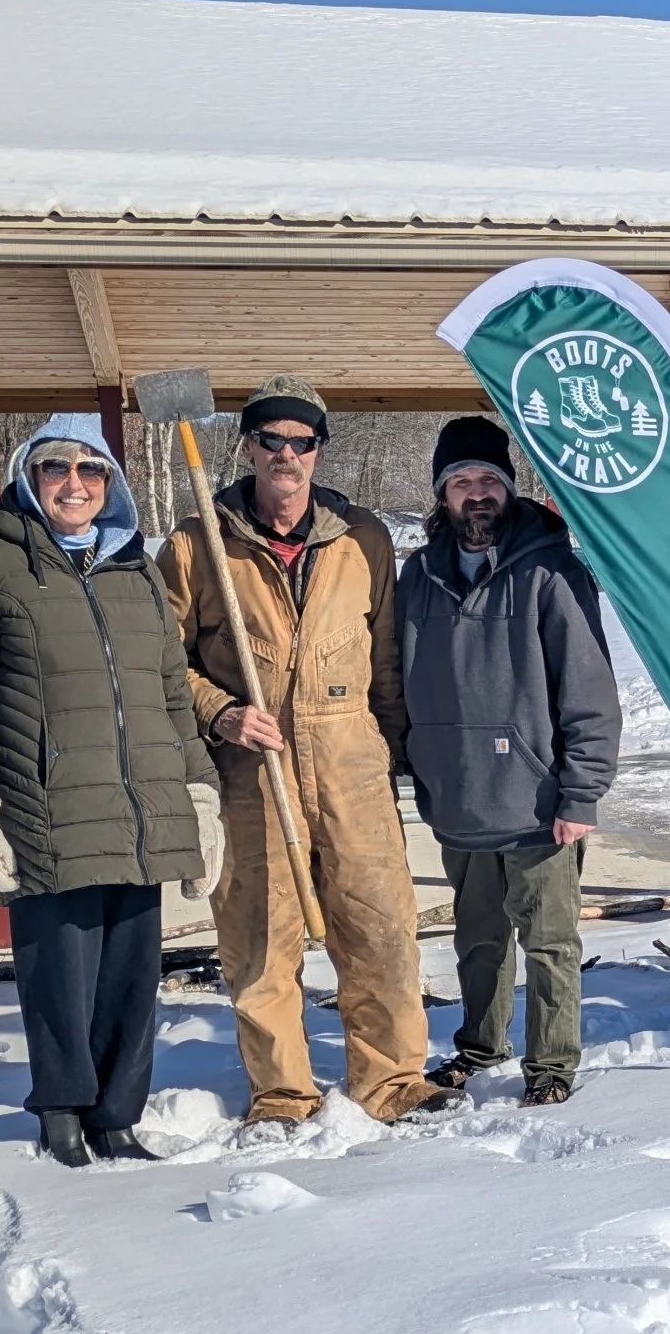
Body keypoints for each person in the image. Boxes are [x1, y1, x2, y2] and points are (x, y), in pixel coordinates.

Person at [157, 375, 452, 1130]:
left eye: (302, 441)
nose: (287, 454)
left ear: (319, 451)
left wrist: (388, 752)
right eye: (271, 439)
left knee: (381, 928)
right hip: (253, 770)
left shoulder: (363, 539)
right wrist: (220, 713)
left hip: (350, 755)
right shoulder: (198, 545)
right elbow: (161, 660)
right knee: (258, 942)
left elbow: (386, 655)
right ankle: (284, 1092)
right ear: (248, 446)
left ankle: (391, 1080)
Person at [0, 414, 221, 1166]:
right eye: (58, 468)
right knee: (61, 973)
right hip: (47, 804)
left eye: (92, 472)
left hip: (140, 805)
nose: (75, 484)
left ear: (110, 487)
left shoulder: (138, 573)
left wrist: (198, 792)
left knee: (132, 973)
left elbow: (168, 692)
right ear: (30, 477)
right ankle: (61, 1111)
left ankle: (117, 1115)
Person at [398, 418, 621, 1108]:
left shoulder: (551, 569)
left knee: (550, 940)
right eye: (461, 482)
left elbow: (589, 689)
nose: (476, 494)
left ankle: (551, 1062)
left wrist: (580, 794)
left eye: (488, 480)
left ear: (509, 487)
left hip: (537, 803)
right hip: (461, 799)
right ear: (442, 495)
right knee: (478, 939)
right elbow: (397, 680)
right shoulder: (418, 576)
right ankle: (480, 1043)